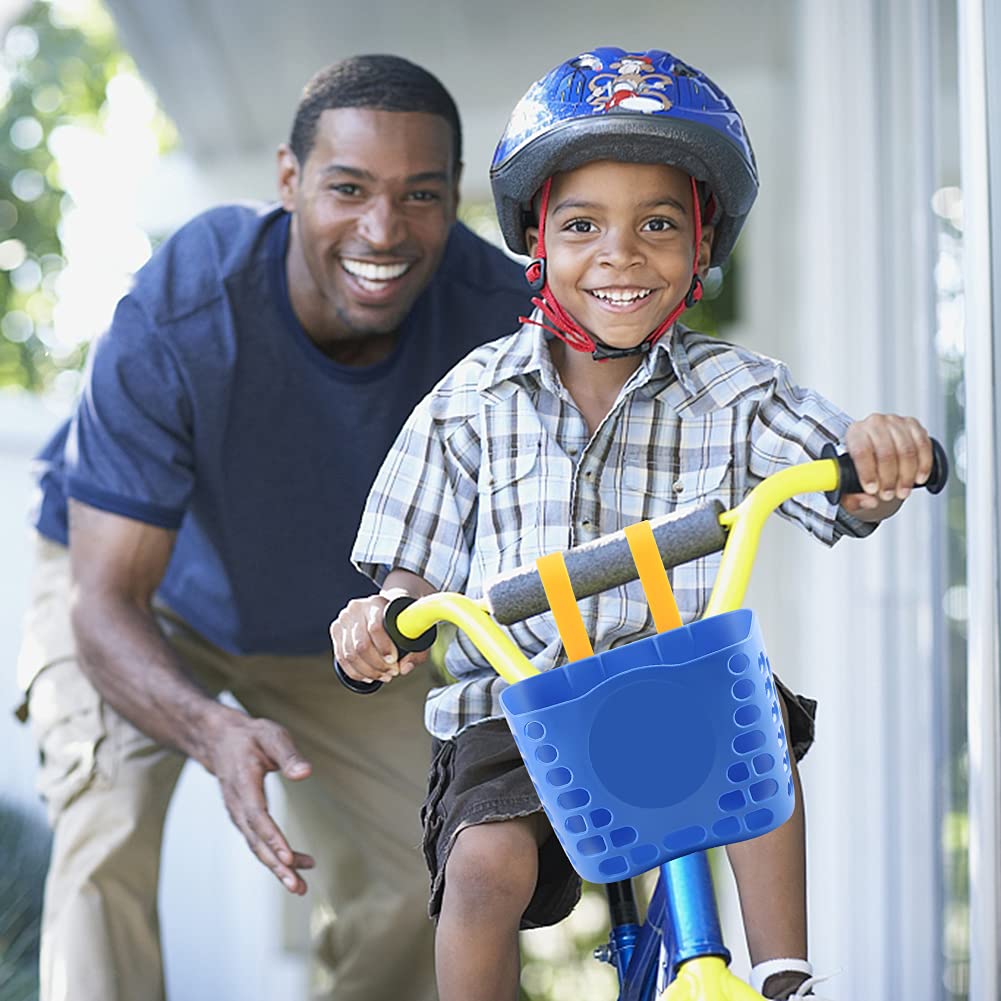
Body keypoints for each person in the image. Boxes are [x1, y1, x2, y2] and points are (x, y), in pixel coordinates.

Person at [329, 47, 936, 1001]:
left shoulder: (733, 388)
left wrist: (873, 456)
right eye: (581, 225)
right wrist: (385, 616)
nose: (620, 254)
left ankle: (784, 977)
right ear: (536, 246)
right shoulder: (468, 403)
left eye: (658, 223)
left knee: (753, 733)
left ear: (700, 248)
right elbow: (409, 569)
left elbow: (837, 471)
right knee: (484, 870)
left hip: (678, 684)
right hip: (518, 707)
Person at [15, 54, 530, 1001]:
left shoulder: (502, 322)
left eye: (420, 195)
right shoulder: (183, 311)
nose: (383, 229)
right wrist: (211, 729)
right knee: (108, 830)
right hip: (144, 607)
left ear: (453, 198)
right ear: (288, 183)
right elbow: (103, 599)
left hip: (349, 636)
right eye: (348, 188)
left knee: (443, 863)